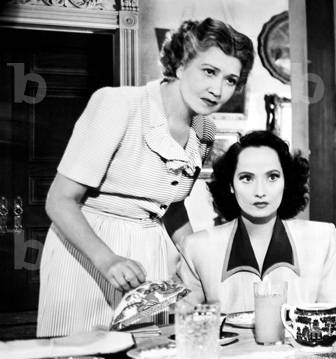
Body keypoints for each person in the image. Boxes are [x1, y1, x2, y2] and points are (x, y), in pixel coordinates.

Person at [37, 18, 254, 337]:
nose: (217, 90)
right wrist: (108, 260)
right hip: (89, 250)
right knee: (81, 358)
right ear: (181, 65)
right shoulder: (118, 104)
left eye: (231, 79)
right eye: (209, 71)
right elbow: (59, 201)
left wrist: (200, 258)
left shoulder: (204, 130)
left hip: (151, 253)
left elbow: (171, 205)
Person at [178, 129, 336, 313]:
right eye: (247, 178)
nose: (260, 191)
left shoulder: (321, 240)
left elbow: (335, 320)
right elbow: (183, 325)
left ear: (286, 182)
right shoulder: (196, 247)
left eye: (272, 177)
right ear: (231, 186)